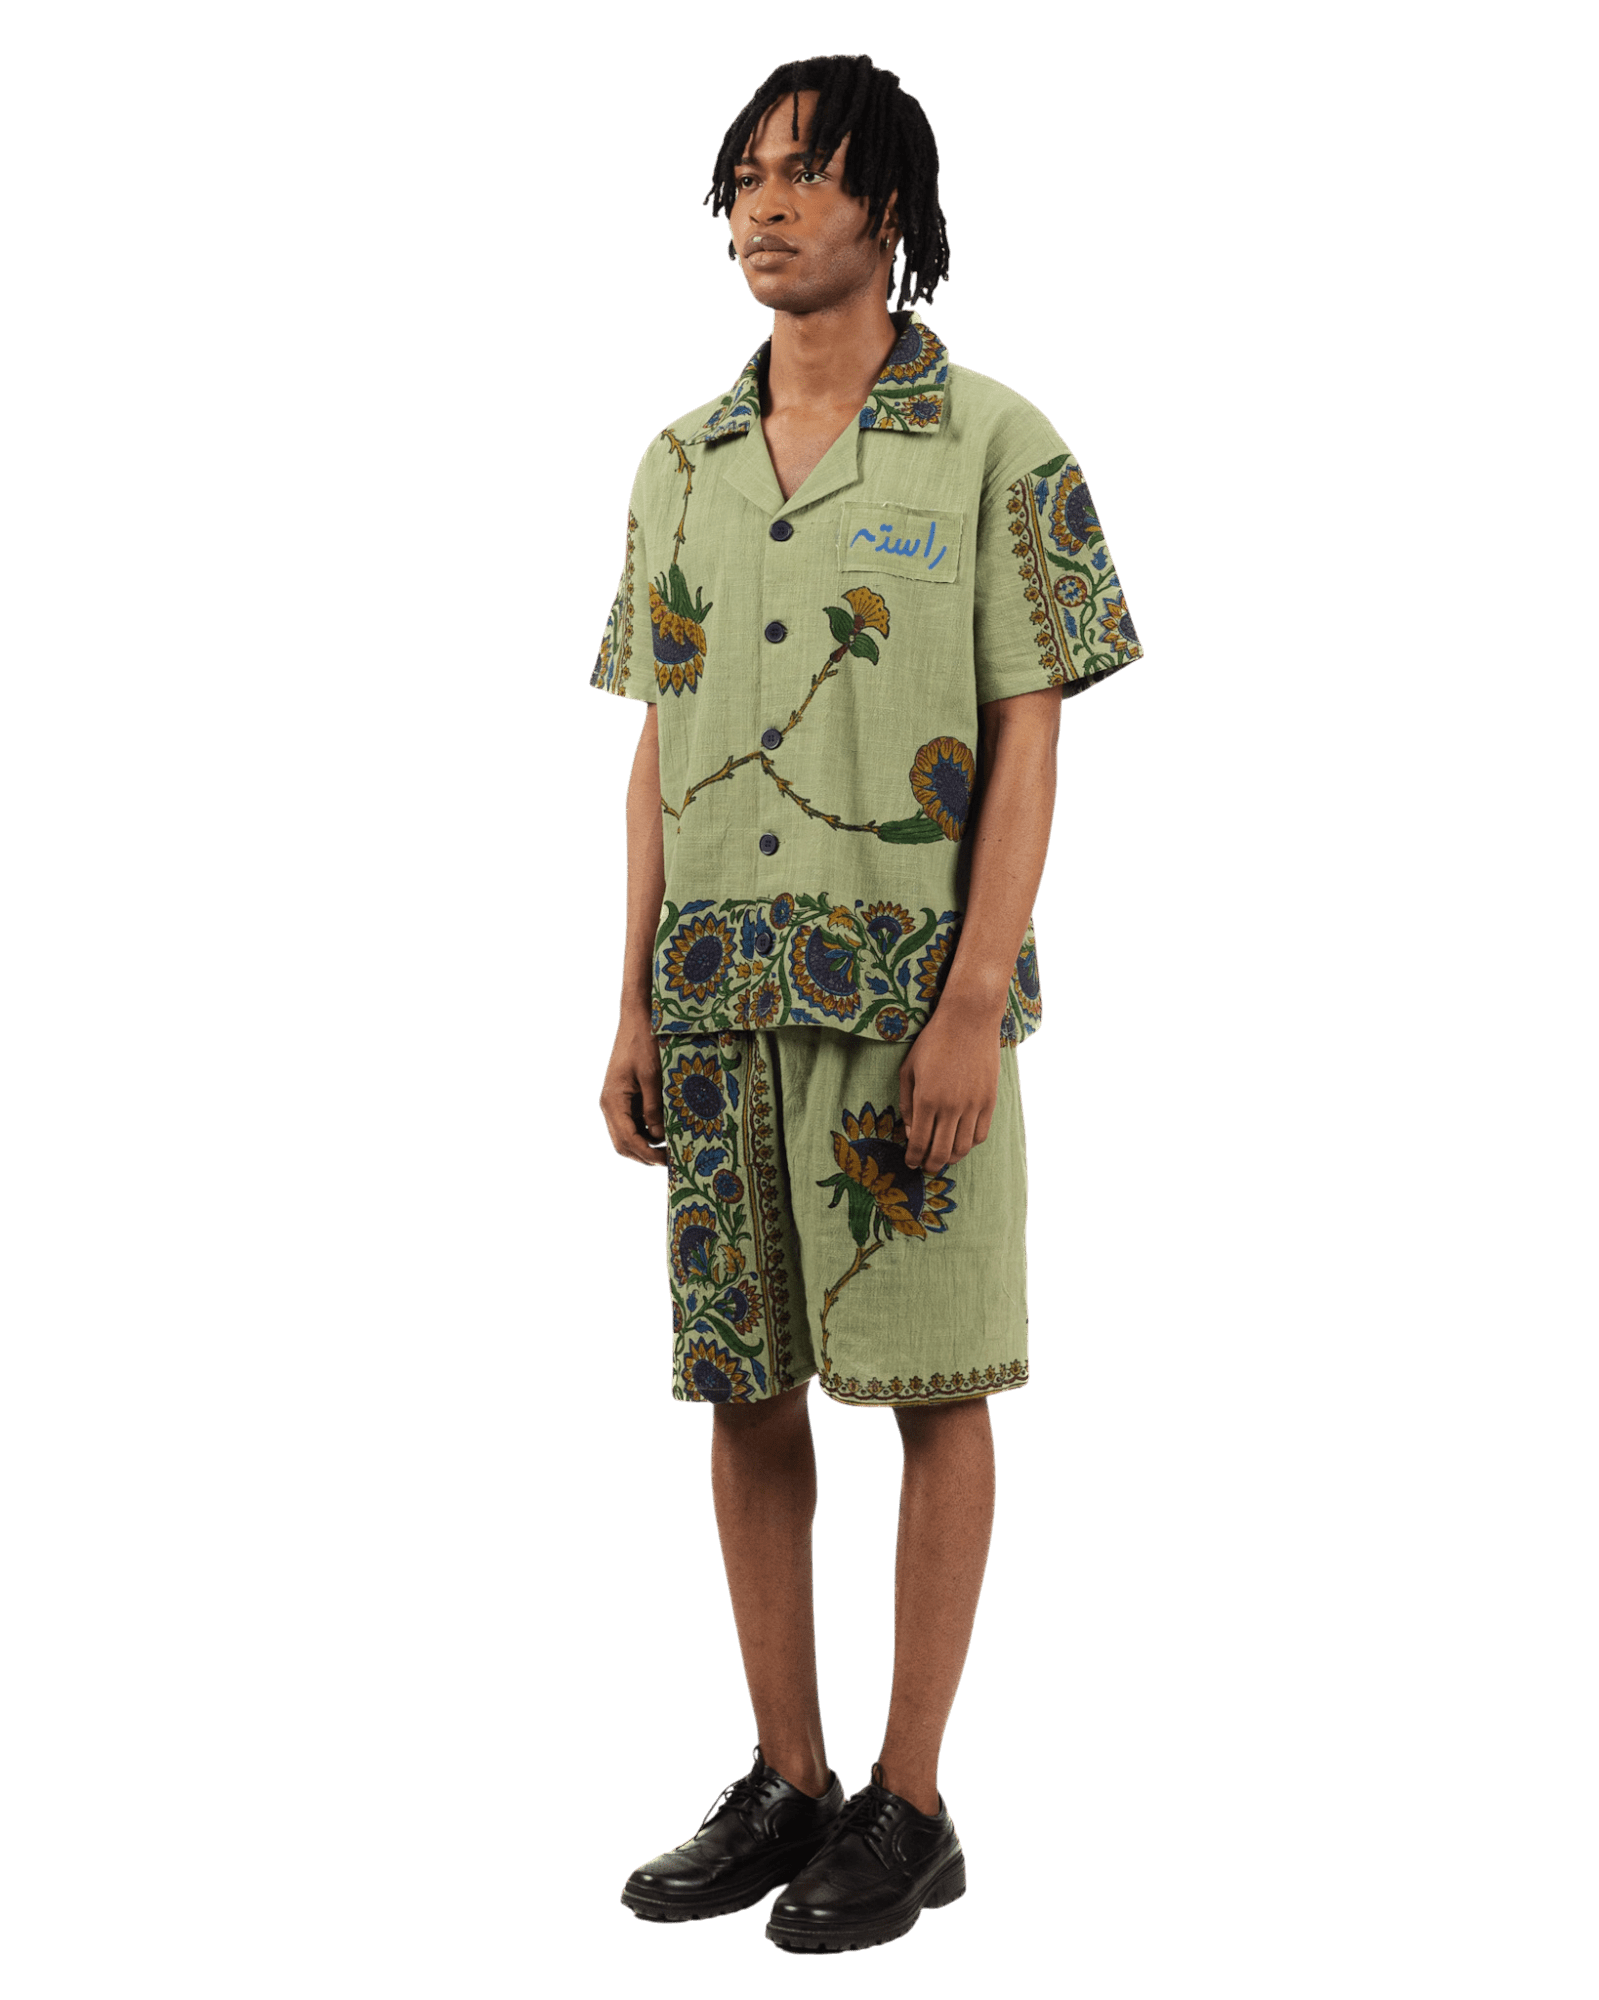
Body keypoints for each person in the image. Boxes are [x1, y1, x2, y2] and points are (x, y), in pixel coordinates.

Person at [588, 52, 1144, 1955]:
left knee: (932, 1383)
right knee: (742, 1390)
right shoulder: (675, 459)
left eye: (806, 175)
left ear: (888, 208)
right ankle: (786, 1777)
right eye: (746, 175)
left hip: (909, 1008)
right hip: (712, 1003)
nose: (764, 205)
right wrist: (629, 1003)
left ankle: (912, 1804)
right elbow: (654, 747)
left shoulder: (996, 441)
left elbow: (1029, 736)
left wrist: (977, 995)